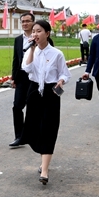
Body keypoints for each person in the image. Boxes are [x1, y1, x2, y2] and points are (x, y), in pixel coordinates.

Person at [20, 19, 71, 185]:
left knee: (49, 128)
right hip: (34, 91)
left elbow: (65, 74)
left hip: (51, 92)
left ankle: (45, 170)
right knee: (33, 128)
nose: (35, 34)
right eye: (33, 31)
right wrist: (32, 50)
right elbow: (26, 68)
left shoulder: (56, 54)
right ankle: (43, 158)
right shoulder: (30, 51)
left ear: (47, 34)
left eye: (39, 31)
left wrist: (61, 81)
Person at [9, 12, 35, 148]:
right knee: (17, 106)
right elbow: (16, 59)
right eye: (23, 21)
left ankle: (33, 134)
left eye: (27, 21)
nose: (25, 24)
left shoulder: (39, 37)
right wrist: (14, 77)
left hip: (35, 77)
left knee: (33, 106)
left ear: (33, 22)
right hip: (22, 77)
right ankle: (19, 136)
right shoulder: (18, 39)